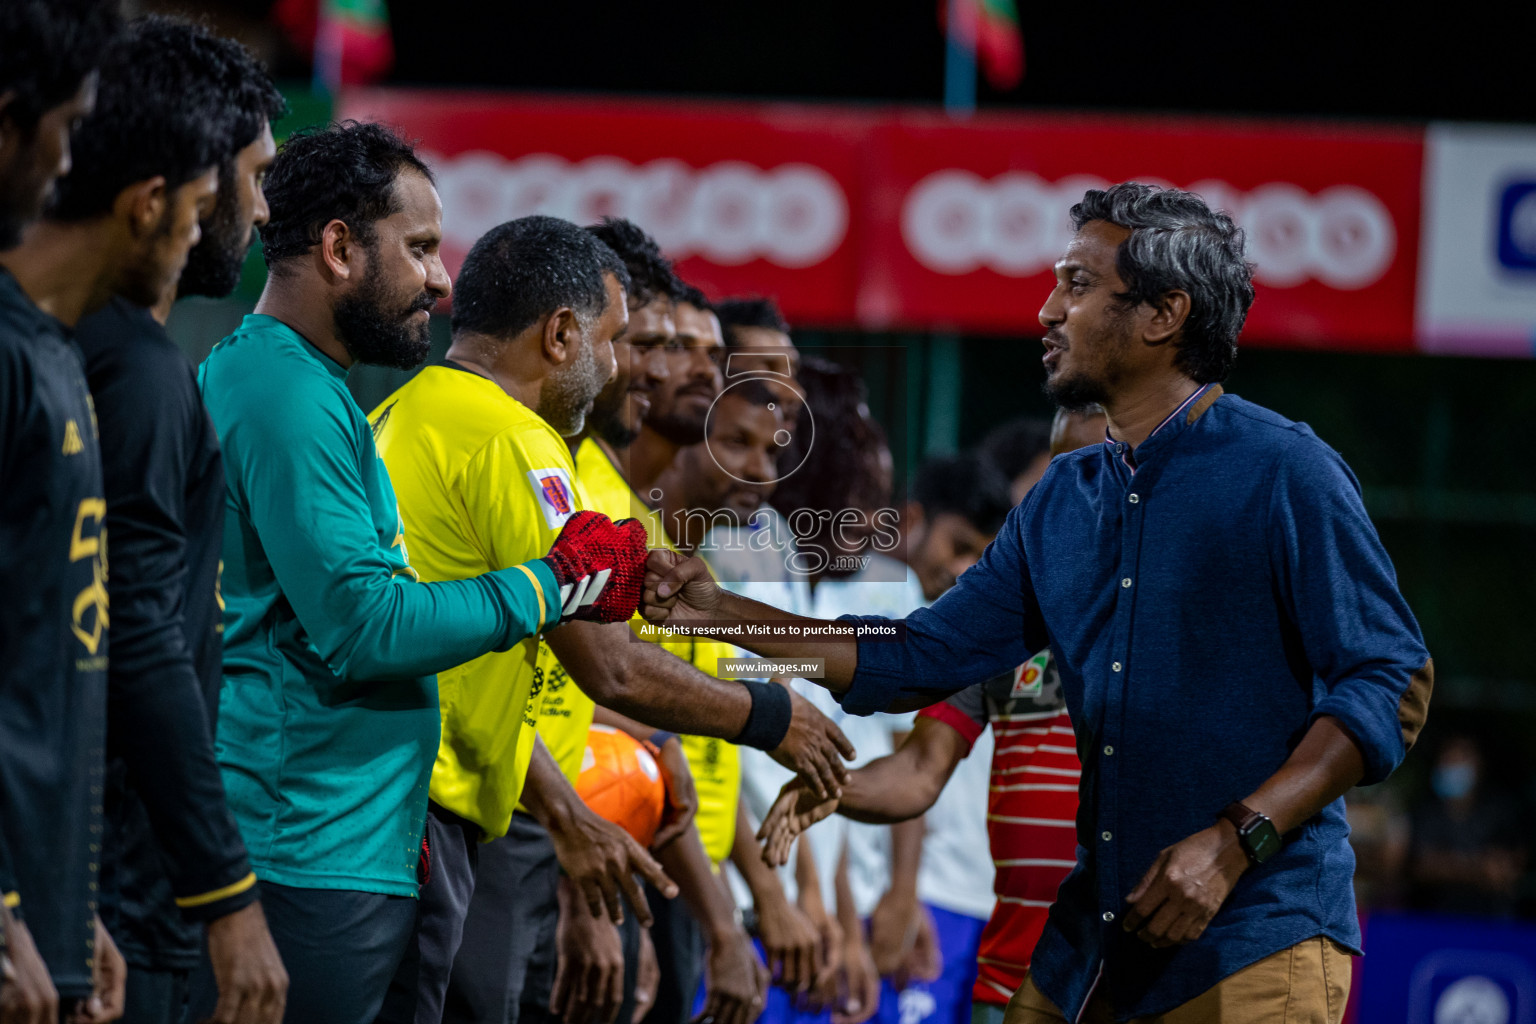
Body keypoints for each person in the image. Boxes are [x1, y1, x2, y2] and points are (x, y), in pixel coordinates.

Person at [644, 182, 1434, 1023]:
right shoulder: (1063, 498)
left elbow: (1392, 677)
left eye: (1079, 284)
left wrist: (1238, 841)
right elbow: (918, 658)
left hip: (1254, 937)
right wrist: (716, 614)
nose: (1047, 309)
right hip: (1091, 949)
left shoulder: (1285, 471)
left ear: (1164, 314)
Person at [189, 124, 650, 1024]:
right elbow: (367, 627)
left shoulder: (303, 384)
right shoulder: (285, 393)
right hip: (309, 847)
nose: (442, 282)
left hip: (339, 836)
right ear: (338, 247)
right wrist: (554, 582)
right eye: (422, 248)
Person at [370, 215, 850, 1024]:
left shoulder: (416, 410)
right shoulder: (516, 441)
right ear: (561, 334)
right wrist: (771, 717)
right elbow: (609, 668)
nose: (625, 368)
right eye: (620, 339)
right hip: (437, 814)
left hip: (441, 806)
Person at [69, 18, 289, 1024]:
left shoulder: (93, 348)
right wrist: (225, 892)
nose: (256, 207)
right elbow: (141, 637)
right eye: (250, 176)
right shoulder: (141, 372)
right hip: (119, 880)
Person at [759, 410, 1106, 1024]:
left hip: (1138, 986)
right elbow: (920, 765)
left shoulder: (1192, 609)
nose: (1075, 487)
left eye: (1099, 466)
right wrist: (837, 791)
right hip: (1013, 984)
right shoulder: (1006, 616)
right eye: (1061, 470)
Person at [1407, 735, 1526, 917]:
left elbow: (1510, 866)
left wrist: (1450, 865)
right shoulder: (1424, 811)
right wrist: (1478, 869)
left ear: (1478, 766)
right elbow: (1421, 865)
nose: (1453, 766)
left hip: (1490, 919)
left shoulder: (1499, 811)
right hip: (1432, 916)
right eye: (1448, 760)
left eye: (1460, 760)